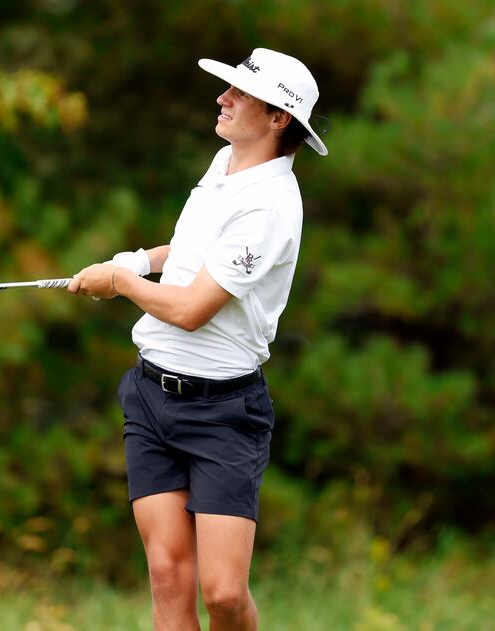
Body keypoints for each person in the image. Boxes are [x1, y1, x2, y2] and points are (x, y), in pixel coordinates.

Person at [68, 48, 328, 630]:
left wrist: (120, 281)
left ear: (277, 118)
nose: (222, 98)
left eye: (238, 94)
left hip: (223, 413)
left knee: (226, 595)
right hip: (150, 396)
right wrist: (138, 258)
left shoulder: (272, 208)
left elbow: (190, 310)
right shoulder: (225, 161)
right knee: (167, 574)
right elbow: (190, 254)